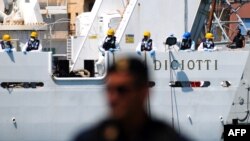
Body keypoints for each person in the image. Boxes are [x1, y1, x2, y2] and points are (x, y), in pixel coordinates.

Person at [74, 57, 189, 141]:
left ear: (143, 92)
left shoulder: (167, 138)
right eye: (109, 90)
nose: (113, 98)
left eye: (122, 90)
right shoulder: (89, 138)